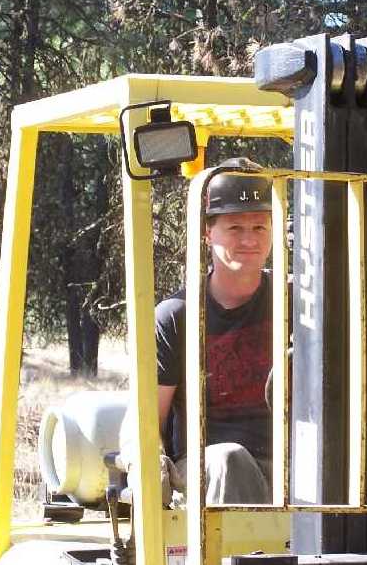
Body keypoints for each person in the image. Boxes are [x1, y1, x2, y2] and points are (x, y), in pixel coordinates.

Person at [120, 157, 274, 508]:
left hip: (286, 464)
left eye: (259, 227)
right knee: (230, 461)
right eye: (235, 228)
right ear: (208, 233)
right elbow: (142, 420)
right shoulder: (176, 317)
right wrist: (147, 462)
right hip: (205, 470)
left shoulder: (296, 305)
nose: (249, 240)